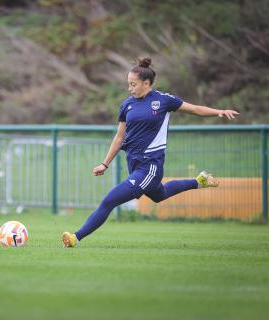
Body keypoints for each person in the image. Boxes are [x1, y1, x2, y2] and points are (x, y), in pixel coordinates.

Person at [62, 57, 239, 247]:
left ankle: (75, 237)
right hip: (135, 165)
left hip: (150, 167)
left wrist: (218, 111)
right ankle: (199, 181)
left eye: (133, 84)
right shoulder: (127, 105)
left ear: (146, 83)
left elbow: (195, 109)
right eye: (128, 84)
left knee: (109, 200)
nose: (130, 88)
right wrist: (105, 163)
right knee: (159, 194)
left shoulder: (164, 100)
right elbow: (119, 137)